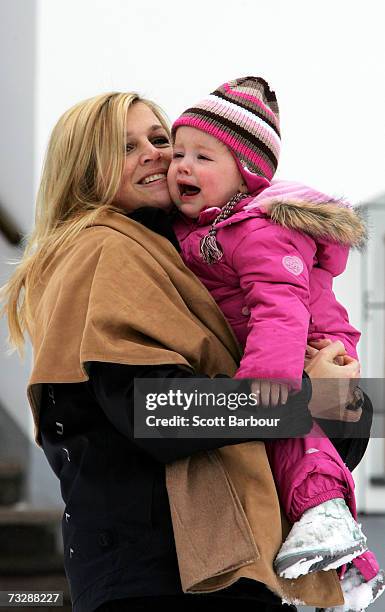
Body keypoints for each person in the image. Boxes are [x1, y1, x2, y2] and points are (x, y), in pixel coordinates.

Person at [0, 91, 373, 612]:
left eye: (159, 138)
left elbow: (314, 439)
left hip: (223, 564)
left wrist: (337, 400)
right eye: (126, 146)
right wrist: (312, 397)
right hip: (163, 574)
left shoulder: (196, 262)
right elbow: (157, 413)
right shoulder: (104, 250)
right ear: (86, 170)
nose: (156, 153)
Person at [168, 76, 384, 611]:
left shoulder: (259, 229)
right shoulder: (207, 224)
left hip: (302, 348)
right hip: (291, 359)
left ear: (246, 174)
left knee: (290, 429)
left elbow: (281, 314)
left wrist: (264, 392)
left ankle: (329, 519)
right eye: (177, 153)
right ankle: (351, 566)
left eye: (201, 156)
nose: (180, 166)